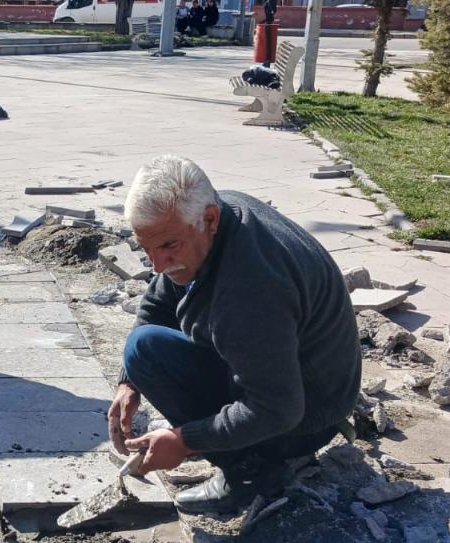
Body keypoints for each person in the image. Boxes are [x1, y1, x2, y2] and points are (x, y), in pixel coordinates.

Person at [108, 156, 361, 513]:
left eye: (168, 247)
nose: (157, 264)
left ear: (209, 219)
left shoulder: (250, 289)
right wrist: (128, 383)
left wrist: (184, 440)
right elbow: (157, 305)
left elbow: (277, 410)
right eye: (146, 248)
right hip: (294, 380)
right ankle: (245, 456)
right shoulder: (212, 215)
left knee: (146, 350)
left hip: (303, 418)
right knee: (141, 351)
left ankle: (250, 473)